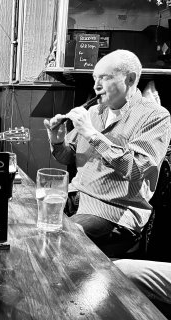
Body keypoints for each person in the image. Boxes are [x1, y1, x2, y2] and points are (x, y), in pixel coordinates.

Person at [44, 49, 171, 257]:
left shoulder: (156, 116)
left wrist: (92, 134)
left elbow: (136, 168)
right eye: (95, 78)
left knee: (63, 239)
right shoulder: (94, 112)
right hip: (76, 196)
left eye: (104, 77)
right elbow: (71, 157)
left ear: (130, 79)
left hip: (114, 209)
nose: (96, 86)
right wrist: (57, 141)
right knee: (31, 221)